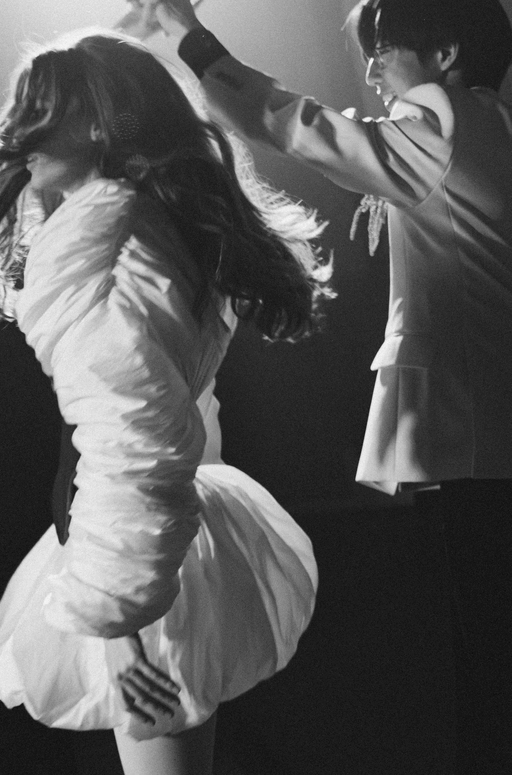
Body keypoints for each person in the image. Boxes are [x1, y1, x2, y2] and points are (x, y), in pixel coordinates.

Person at [0, 25, 333, 775]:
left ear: (95, 126)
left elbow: (133, 442)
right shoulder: (143, 223)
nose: (15, 131)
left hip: (139, 559)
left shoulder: (119, 255)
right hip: (153, 540)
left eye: (37, 110)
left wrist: (120, 623)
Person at [148, 0, 512, 771]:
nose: (372, 69)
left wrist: (192, 41)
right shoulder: (489, 125)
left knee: (487, 661)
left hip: (484, 441)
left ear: (446, 54)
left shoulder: (440, 123)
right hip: (488, 436)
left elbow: (297, 124)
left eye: (386, 49)